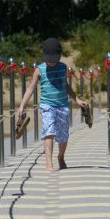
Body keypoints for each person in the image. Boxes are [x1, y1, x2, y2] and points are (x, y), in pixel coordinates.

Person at [18, 37, 87, 171]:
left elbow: (66, 86)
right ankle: (48, 163)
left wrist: (76, 99)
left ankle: (60, 157)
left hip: (62, 105)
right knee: (49, 132)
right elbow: (31, 88)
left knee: (63, 136)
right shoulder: (39, 70)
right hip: (47, 105)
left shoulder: (62, 68)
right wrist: (22, 106)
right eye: (48, 60)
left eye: (53, 60)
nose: (51, 63)